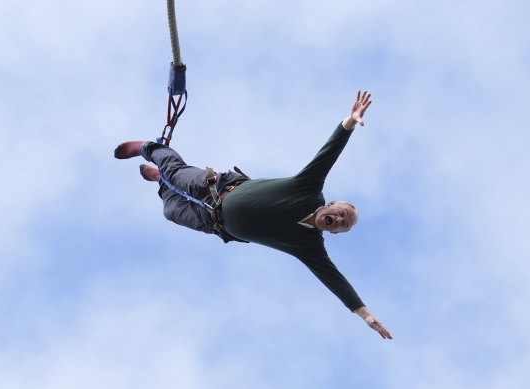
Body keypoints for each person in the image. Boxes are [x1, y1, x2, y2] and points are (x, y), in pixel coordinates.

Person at [115, 91, 392, 339]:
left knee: (170, 210)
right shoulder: (308, 189)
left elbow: (334, 279)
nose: (340, 219)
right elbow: (328, 153)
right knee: (176, 171)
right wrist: (350, 122)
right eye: (342, 213)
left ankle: (159, 180)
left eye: (342, 225)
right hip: (216, 186)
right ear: (331, 204)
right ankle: (148, 149)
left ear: (333, 232)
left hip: (212, 222)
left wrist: (364, 314)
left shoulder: (309, 246)